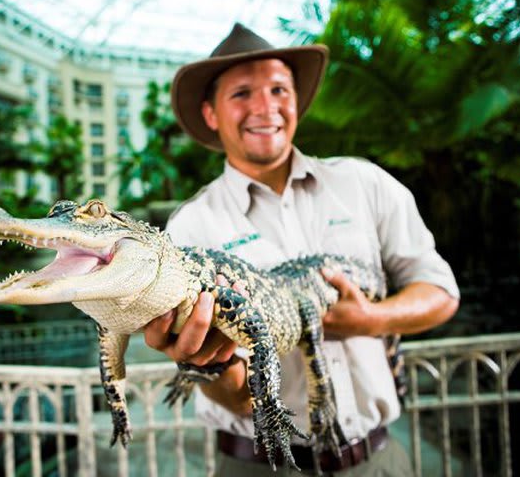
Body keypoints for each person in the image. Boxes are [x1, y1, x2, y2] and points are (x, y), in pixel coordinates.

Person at [143, 23, 460, 476]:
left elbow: (440, 291)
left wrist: (372, 320)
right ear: (210, 114)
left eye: (278, 89)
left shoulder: (364, 183)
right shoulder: (193, 225)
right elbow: (239, 395)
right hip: (258, 463)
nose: (265, 107)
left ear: (296, 101)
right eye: (241, 94)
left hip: (378, 459)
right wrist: (201, 364)